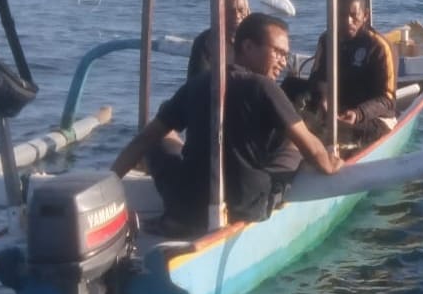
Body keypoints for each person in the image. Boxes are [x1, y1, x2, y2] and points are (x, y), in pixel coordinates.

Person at [111, 13, 342, 235]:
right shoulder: (265, 87)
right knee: (292, 146)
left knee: (160, 138)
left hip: (186, 205)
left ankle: (178, 217)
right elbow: (309, 147)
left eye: (286, 55)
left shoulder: (199, 83)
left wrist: (107, 186)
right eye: (278, 53)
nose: (283, 62)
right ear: (248, 47)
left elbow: (143, 140)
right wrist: (330, 165)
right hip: (245, 206)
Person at [307, 0, 396, 141]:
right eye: (341, 15)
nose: (347, 21)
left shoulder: (379, 46)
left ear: (365, 15)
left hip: (370, 117)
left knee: (354, 132)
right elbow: (316, 76)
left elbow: (388, 99)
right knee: (291, 88)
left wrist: (358, 113)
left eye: (354, 16)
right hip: (334, 110)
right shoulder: (326, 39)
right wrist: (323, 95)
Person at [187, 0, 251, 79]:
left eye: (241, 10)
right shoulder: (206, 41)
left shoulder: (252, 40)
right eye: (230, 11)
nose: (237, 15)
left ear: (248, 12)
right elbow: (199, 78)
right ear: (220, 12)